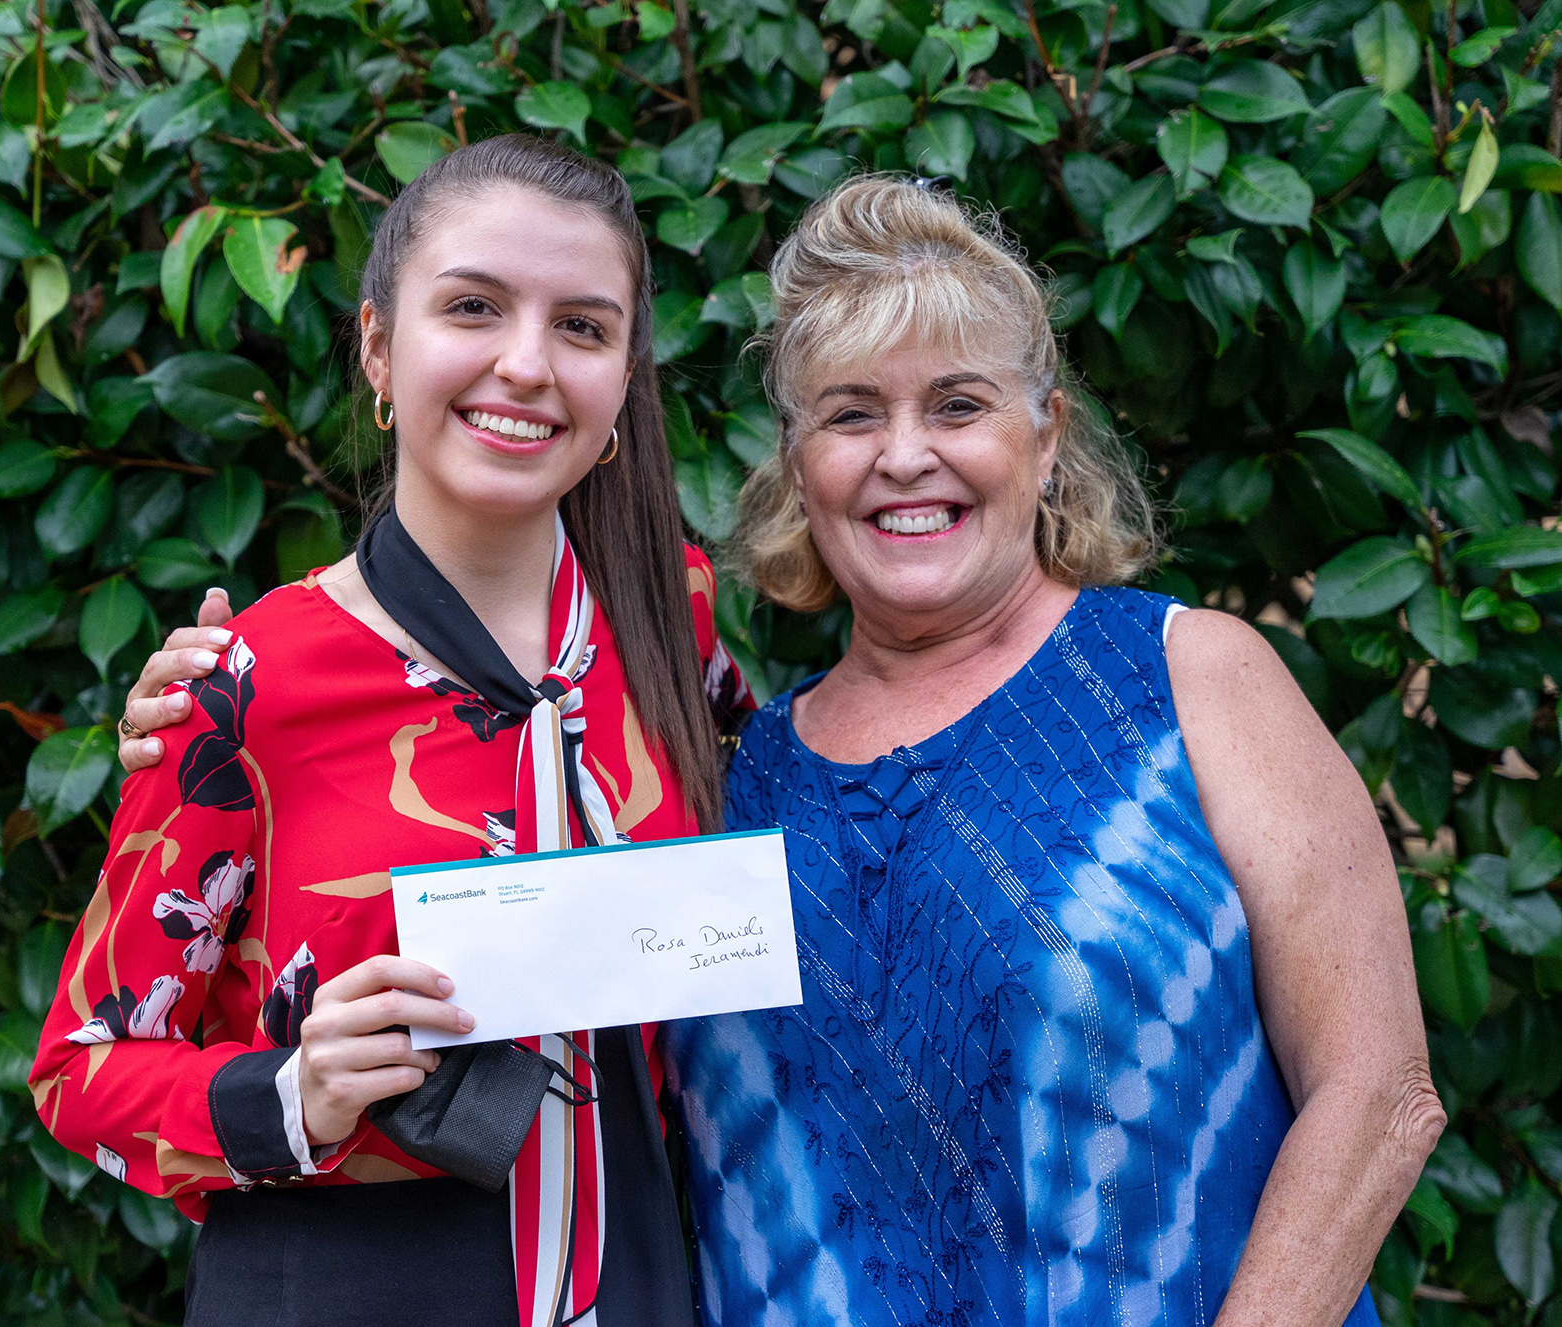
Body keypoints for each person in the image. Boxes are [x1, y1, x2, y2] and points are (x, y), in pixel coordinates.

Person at [128, 173, 1443, 1326]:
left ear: (1044, 435)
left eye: (961, 403)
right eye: (852, 412)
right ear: (799, 465)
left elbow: (1380, 1092)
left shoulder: (1189, 677)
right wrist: (212, 709)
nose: (906, 455)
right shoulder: (728, 766)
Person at [30, 134, 752, 1327]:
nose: (525, 364)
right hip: (347, 1286)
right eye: (473, 307)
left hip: (645, 1281)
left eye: (582, 326)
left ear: (623, 380)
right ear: (376, 344)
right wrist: (294, 1093)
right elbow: (78, 1072)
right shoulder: (249, 686)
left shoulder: (675, 621)